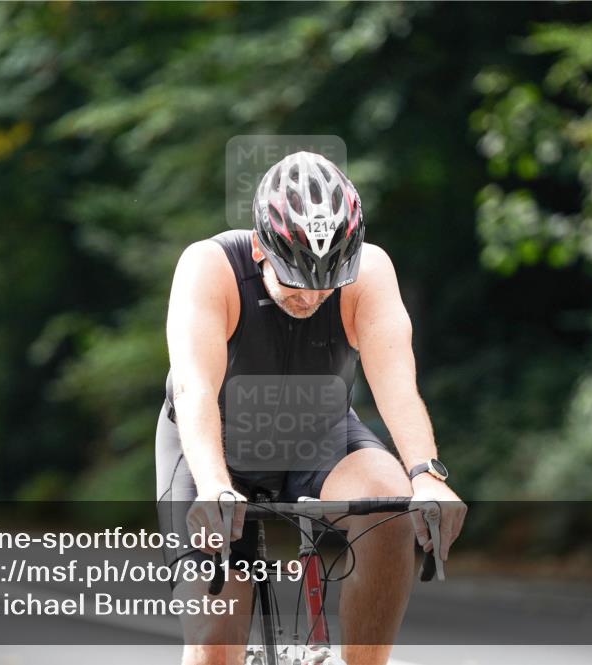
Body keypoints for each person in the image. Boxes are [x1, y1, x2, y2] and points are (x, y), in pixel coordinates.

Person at [157, 152, 466, 665]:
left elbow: (397, 388)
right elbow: (194, 390)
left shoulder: (370, 272)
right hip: (214, 442)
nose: (315, 294)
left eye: (330, 278)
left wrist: (426, 475)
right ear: (260, 247)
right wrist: (213, 486)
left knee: (389, 506)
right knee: (214, 641)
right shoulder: (209, 268)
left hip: (317, 432)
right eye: (297, 279)